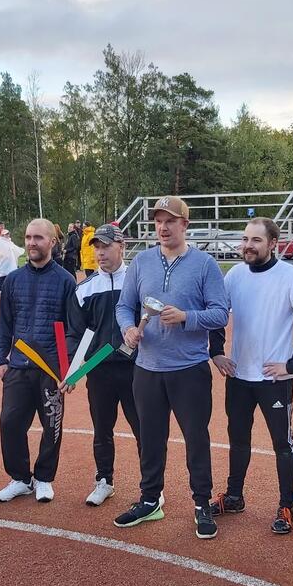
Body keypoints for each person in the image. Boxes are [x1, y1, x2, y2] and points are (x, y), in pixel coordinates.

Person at [114, 196, 230, 539]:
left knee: (196, 438)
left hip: (189, 370)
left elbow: (220, 313)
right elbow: (124, 306)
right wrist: (128, 329)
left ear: (185, 225)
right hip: (147, 368)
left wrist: (185, 317)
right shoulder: (141, 261)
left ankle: (202, 504)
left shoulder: (205, 264)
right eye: (158, 221)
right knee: (151, 438)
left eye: (170, 221)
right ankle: (150, 500)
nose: (163, 228)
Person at [209, 218, 293, 534]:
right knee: (238, 439)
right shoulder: (234, 275)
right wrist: (216, 351)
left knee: (282, 443)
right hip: (239, 377)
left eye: (256, 240)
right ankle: (234, 496)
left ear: (273, 243)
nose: (248, 245)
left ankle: (286, 506)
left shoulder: (290, 277)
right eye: (245, 239)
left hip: (275, 380)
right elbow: (217, 315)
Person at [0, 218, 77, 503]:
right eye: (28, 237)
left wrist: (67, 368)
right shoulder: (13, 280)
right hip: (17, 367)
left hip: (50, 370)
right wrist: (0, 359)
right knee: (10, 423)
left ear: (52, 242)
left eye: (38, 238)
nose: (32, 243)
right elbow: (4, 323)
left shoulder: (66, 281)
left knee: (51, 427)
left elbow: (73, 329)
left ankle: (43, 478)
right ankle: (20, 478)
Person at [66, 224, 142, 506]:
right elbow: (74, 333)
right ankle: (104, 481)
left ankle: (151, 488)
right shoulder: (84, 289)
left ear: (121, 247)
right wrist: (72, 370)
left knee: (143, 429)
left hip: (136, 369)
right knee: (102, 430)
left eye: (106, 246)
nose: (100, 253)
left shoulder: (138, 283)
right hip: (99, 371)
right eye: (97, 247)